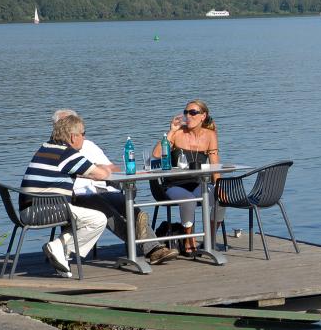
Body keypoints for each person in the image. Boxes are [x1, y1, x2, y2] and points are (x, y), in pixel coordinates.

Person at [53, 110, 177, 266]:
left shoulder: (88, 145)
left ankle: (148, 241)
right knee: (106, 211)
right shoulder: (56, 150)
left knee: (127, 204)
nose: (73, 132)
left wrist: (104, 170)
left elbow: (113, 168)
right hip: (76, 195)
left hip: (103, 189)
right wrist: (94, 171)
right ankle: (151, 248)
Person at [21, 114, 109, 277]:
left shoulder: (45, 147)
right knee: (98, 219)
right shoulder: (67, 154)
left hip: (28, 211)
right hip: (45, 211)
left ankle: (59, 253)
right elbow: (102, 174)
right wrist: (101, 168)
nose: (84, 138)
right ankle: (60, 249)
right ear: (73, 136)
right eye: (83, 134)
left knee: (80, 218)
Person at [151, 99, 221, 256]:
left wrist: (218, 186)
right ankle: (190, 240)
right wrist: (171, 131)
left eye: (193, 112)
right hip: (174, 186)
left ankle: (209, 239)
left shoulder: (210, 135)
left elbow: (215, 165)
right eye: (186, 112)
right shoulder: (177, 134)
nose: (188, 116)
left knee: (222, 198)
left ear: (203, 116)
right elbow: (156, 154)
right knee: (188, 199)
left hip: (198, 184)